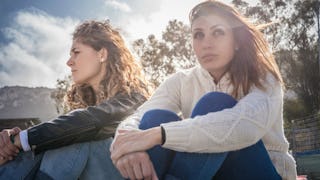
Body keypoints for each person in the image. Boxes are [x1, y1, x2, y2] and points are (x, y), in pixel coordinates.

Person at [110, 1, 297, 180]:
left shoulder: (263, 77)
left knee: (215, 104)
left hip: (259, 171)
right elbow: (138, 117)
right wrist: (128, 147)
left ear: (237, 41)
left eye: (218, 32)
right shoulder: (182, 81)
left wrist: (157, 135)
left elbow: (244, 126)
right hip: (205, 173)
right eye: (198, 35)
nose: (206, 43)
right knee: (154, 117)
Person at [0, 20, 151, 179]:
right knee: (60, 136)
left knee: (75, 135)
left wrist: (20, 139)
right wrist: (9, 145)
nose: (69, 61)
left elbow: (91, 122)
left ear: (102, 55)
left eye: (76, 52)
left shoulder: (135, 96)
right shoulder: (90, 106)